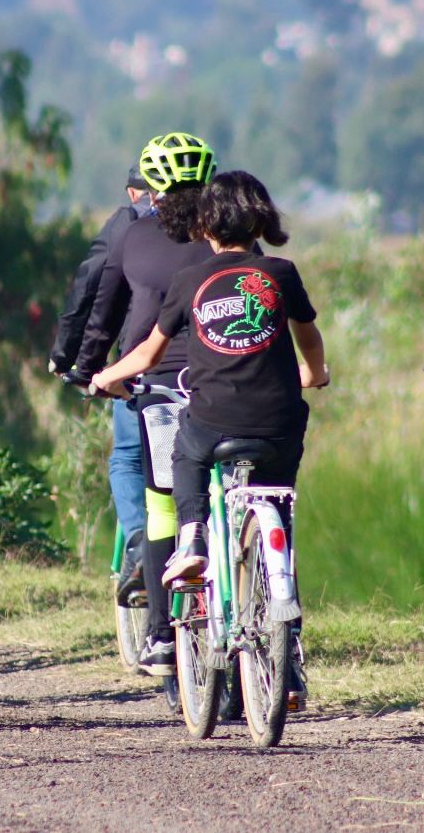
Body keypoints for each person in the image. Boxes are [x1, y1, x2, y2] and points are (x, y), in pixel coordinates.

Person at [90, 170, 328, 589]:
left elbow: (148, 354)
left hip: (214, 421)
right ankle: (279, 572)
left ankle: (192, 537)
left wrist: (105, 377)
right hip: (279, 422)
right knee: (276, 492)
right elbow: (309, 337)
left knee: (186, 451)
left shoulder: (189, 281)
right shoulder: (282, 272)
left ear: (206, 224)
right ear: (260, 221)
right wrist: (314, 373)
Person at [76, 132, 217, 676]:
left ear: (151, 189)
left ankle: (161, 634)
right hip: (229, 382)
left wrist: (92, 368)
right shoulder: (230, 239)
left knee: (157, 497)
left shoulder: (134, 236)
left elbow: (105, 309)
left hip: (153, 380)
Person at [50, 167, 155, 598]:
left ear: (133, 191)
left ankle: (140, 542)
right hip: (213, 363)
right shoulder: (214, 219)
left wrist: (70, 357)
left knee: (127, 458)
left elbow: (92, 286)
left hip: (138, 361)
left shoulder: (127, 224)